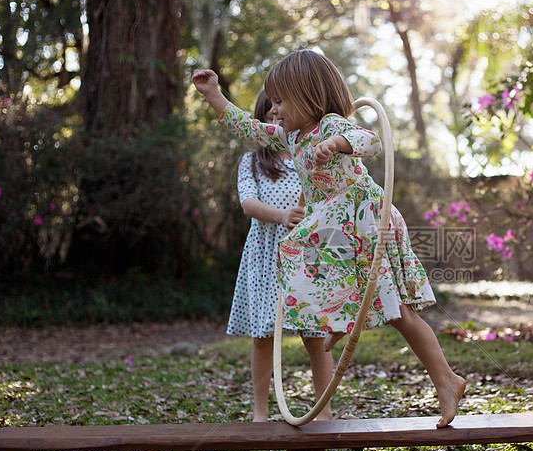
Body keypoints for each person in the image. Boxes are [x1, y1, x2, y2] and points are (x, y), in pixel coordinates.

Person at [193, 50, 465, 428]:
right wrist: (213, 95)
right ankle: (340, 319)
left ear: (308, 96)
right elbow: (248, 128)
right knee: (300, 263)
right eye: (272, 101)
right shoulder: (291, 138)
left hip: (362, 220)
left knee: (399, 310)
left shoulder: (329, 126)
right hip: (331, 229)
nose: (274, 109)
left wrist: (337, 144)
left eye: (281, 100)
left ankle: (446, 379)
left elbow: (368, 139)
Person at [227, 90, 333, 422]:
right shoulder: (252, 161)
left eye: (282, 108)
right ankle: (260, 413)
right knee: (263, 336)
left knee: (315, 336)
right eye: (269, 110)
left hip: (307, 256)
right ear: (261, 119)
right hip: (266, 255)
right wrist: (283, 216)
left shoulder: (309, 155)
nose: (277, 114)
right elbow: (248, 204)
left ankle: (325, 412)